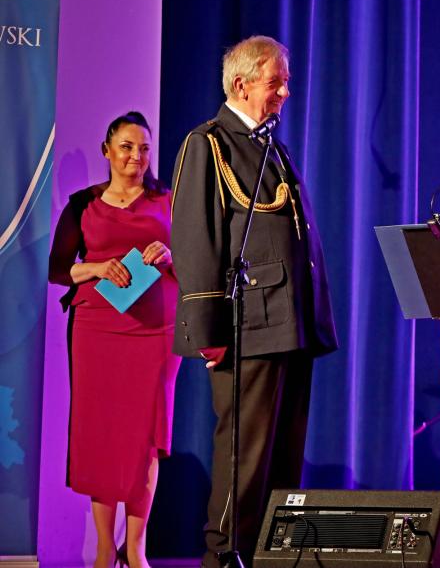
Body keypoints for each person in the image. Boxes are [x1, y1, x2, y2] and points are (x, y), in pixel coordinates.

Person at [170, 35, 338, 564]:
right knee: (244, 458)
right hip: (247, 327)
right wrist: (208, 331)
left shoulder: (272, 148)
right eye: (275, 83)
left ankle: (270, 555)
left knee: (283, 461)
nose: (285, 92)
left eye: (285, 82)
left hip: (290, 324)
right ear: (241, 85)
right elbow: (195, 239)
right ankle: (224, 557)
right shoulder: (209, 144)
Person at [48, 111, 179, 568]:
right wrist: (99, 267)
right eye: (126, 147)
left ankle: (136, 549)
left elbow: (197, 264)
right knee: (102, 436)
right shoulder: (83, 204)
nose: (136, 156)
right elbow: (57, 269)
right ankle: (106, 548)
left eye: (144, 148)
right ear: (107, 150)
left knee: (145, 437)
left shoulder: (168, 202)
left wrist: (171, 255)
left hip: (154, 331)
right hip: (97, 330)